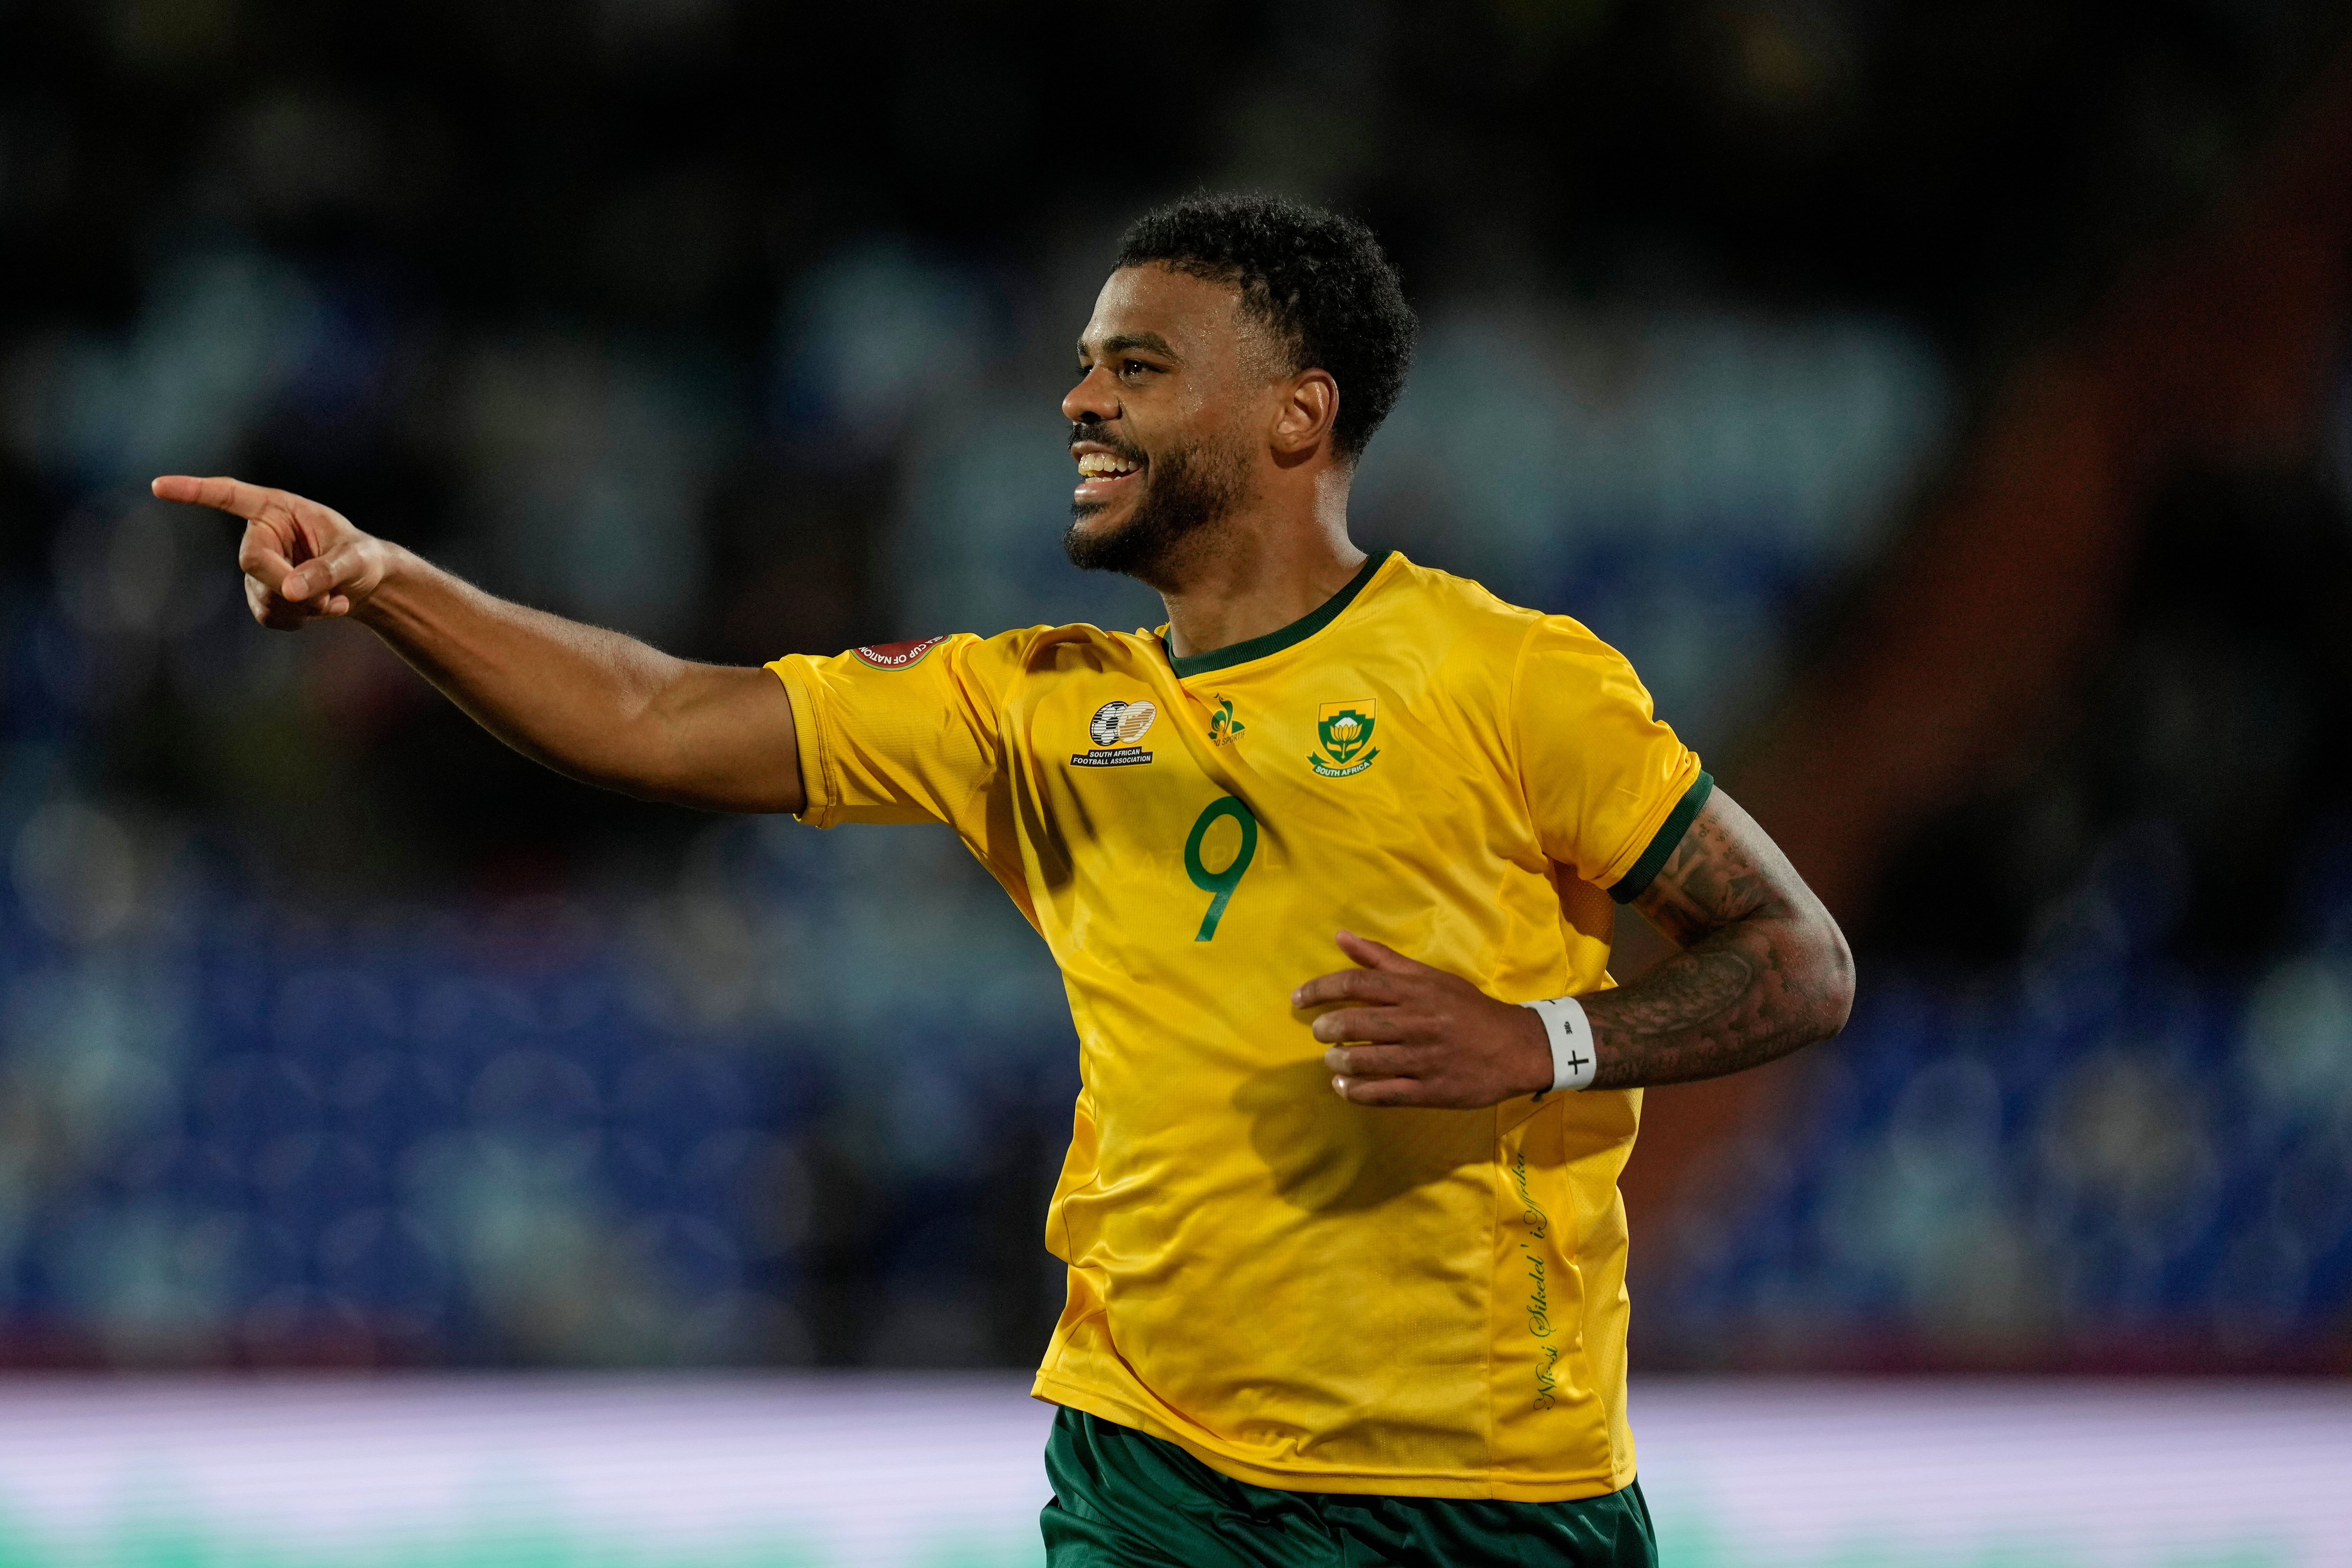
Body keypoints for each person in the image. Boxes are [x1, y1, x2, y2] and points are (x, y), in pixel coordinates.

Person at [156, 192, 1853, 1567]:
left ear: (1294, 414)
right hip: (1156, 1477)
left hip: (1491, 1489)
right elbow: (655, 715)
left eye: (1136, 365)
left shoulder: (1507, 676)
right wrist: (391, 584)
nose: (1079, 402)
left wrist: (1539, 1040)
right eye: (1082, 364)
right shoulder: (1028, 703)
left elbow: (1797, 954)